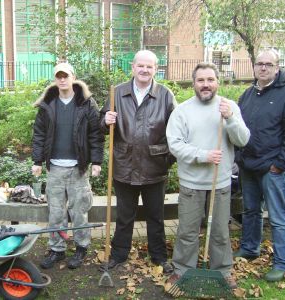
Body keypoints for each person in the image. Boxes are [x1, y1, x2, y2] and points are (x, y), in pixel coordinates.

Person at [166, 63, 250, 288]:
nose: (206, 84)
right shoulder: (182, 111)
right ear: (194, 83)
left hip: (220, 184)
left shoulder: (228, 106)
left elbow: (243, 140)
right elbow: (174, 144)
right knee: (187, 232)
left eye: (210, 80)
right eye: (201, 80)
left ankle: (222, 271)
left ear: (217, 82)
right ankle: (182, 270)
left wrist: (231, 118)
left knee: (221, 232)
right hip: (191, 184)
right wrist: (203, 155)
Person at [100, 50, 176, 274]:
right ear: (132, 67)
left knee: (156, 216)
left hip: (155, 167)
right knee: (124, 216)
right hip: (124, 165)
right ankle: (118, 255)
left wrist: (167, 159)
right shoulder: (117, 93)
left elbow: (177, 130)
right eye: (140, 66)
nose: (144, 70)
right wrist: (105, 120)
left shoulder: (165, 95)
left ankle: (159, 257)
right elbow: (101, 126)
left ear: (156, 69)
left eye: (149, 66)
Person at [234, 49, 285, 282]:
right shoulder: (248, 94)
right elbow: (238, 128)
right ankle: (250, 248)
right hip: (248, 166)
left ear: (277, 68)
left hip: (272, 168)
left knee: (278, 217)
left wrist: (281, 164)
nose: (263, 68)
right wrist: (238, 158)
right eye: (259, 63)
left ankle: (282, 263)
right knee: (250, 211)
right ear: (254, 67)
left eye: (268, 64)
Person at [32, 62, 104, 269]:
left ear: (73, 77)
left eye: (66, 75)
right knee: (55, 212)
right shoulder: (48, 104)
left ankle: (81, 248)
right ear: (55, 79)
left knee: (79, 210)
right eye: (58, 76)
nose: (62, 79)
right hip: (54, 167)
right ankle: (57, 248)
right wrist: (37, 161)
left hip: (78, 168)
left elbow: (96, 135)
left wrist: (96, 161)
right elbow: (39, 134)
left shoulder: (87, 104)